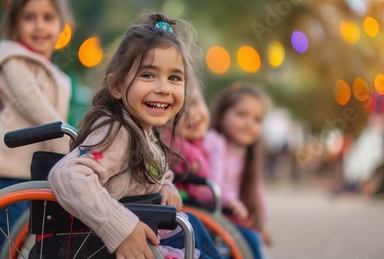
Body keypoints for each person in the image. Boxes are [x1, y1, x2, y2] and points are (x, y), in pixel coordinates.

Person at [48, 13, 222, 258]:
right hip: (106, 244)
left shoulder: (146, 132)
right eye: (148, 75)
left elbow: (150, 171)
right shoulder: (117, 129)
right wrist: (121, 228)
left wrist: (165, 184)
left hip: (147, 228)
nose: (163, 88)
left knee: (193, 224)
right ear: (117, 87)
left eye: (174, 78)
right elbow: (67, 175)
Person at [0, 0, 73, 258]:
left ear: (61, 25)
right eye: (29, 17)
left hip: (42, 168)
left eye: (48, 18)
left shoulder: (57, 75)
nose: (39, 26)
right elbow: (39, 110)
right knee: (5, 238)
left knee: (30, 240)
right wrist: (74, 150)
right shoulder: (11, 61)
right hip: (15, 166)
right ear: (15, 23)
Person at [204, 83, 272, 259]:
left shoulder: (248, 155)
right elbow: (213, 180)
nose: (249, 123)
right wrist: (230, 200)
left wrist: (263, 223)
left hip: (229, 215)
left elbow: (257, 190)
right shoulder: (215, 142)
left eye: (257, 119)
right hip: (212, 211)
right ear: (222, 114)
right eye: (241, 114)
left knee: (253, 238)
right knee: (249, 239)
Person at [164, 82, 214, 206]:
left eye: (194, 103)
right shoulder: (170, 142)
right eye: (180, 111)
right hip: (182, 204)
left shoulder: (204, 140)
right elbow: (200, 168)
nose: (191, 114)